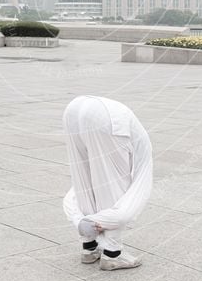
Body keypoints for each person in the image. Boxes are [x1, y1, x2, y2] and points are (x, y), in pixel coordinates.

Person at [62, 95, 153, 270]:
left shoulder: (140, 143)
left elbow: (75, 193)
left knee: (83, 181)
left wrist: (80, 221)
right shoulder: (143, 163)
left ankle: (89, 248)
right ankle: (113, 254)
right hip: (109, 119)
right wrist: (95, 221)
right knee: (114, 188)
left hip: (74, 108)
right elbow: (124, 209)